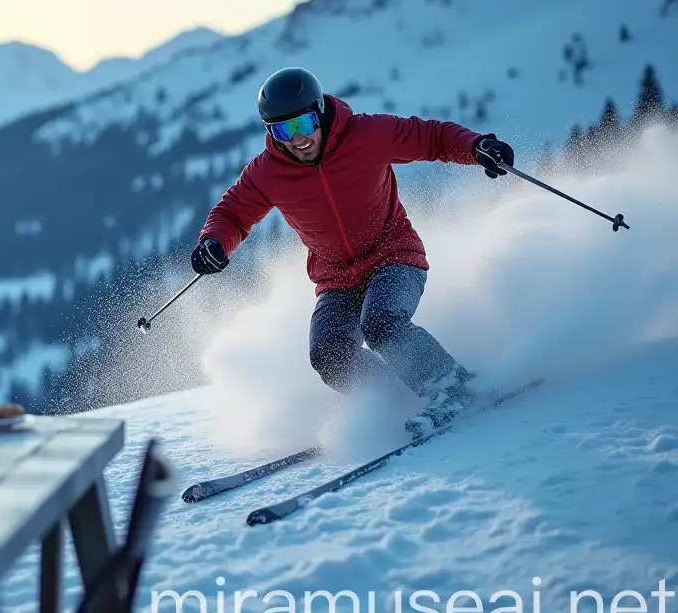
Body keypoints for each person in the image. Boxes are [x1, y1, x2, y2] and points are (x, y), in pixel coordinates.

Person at [192, 67, 516, 438]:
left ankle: (452, 387)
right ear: (271, 133)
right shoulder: (267, 172)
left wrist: (477, 148)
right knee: (328, 352)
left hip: (393, 256)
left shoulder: (366, 134)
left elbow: (432, 138)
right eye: (283, 131)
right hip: (336, 279)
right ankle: (392, 404)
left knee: (381, 323)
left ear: (320, 112)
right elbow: (233, 212)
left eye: (303, 124)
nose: (297, 139)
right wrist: (213, 242)